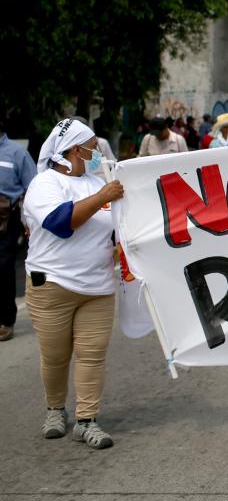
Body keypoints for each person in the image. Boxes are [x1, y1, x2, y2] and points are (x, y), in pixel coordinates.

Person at [22, 118, 124, 449]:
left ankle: (86, 420)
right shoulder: (45, 184)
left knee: (92, 355)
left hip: (97, 288)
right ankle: (55, 410)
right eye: (92, 148)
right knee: (55, 356)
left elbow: (116, 227)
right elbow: (60, 222)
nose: (97, 153)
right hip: (52, 286)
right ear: (74, 150)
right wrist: (103, 196)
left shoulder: (99, 183)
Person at [0, 120, 36, 341]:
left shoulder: (16, 153)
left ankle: (6, 320)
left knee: (3, 268)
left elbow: (33, 187)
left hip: (6, 220)